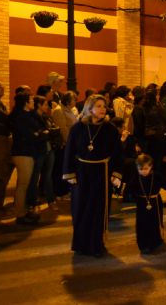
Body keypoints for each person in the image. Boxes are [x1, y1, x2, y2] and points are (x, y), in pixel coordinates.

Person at [62, 95, 123, 257]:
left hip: (102, 173)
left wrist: (116, 174)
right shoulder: (78, 128)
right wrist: (70, 173)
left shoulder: (110, 129)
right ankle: (80, 244)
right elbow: (69, 151)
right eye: (99, 106)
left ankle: (96, 244)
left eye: (104, 106)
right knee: (81, 209)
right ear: (89, 108)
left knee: (98, 209)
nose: (103, 109)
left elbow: (117, 153)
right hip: (82, 173)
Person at [128, 154, 166, 254]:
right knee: (142, 224)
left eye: (146, 168)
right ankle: (143, 244)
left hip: (155, 203)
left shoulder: (157, 176)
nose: (143, 171)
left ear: (151, 167)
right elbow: (129, 189)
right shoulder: (136, 177)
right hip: (142, 204)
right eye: (140, 169)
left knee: (154, 222)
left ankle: (155, 242)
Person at [9, 92, 42, 225]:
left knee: (24, 184)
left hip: (27, 152)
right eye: (31, 101)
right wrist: (37, 134)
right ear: (25, 103)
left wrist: (37, 133)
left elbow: (38, 129)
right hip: (23, 153)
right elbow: (29, 134)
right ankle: (20, 215)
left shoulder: (27, 115)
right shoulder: (20, 117)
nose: (33, 103)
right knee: (22, 185)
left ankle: (23, 211)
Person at [26, 95, 59, 213]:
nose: (47, 106)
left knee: (48, 176)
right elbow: (37, 134)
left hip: (49, 148)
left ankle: (51, 200)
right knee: (35, 176)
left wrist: (49, 132)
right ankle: (32, 202)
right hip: (38, 150)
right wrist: (46, 133)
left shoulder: (46, 117)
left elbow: (51, 130)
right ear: (39, 105)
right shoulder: (31, 117)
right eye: (45, 104)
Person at [0, 80, 13, 218]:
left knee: (2, 173)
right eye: (0, 87)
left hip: (3, 140)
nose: (3, 89)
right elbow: (4, 119)